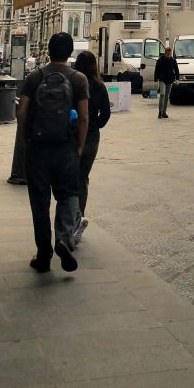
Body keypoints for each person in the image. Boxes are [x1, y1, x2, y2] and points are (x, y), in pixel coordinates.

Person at [16, 33, 89, 273]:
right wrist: (78, 146)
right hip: (65, 149)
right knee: (68, 197)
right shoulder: (79, 79)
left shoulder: (35, 76)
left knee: (40, 203)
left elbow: (22, 112)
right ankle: (63, 240)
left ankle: (43, 254)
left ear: (48, 50)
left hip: (38, 149)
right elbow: (84, 117)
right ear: (70, 53)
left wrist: (27, 139)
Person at [71, 50, 111, 246]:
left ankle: (71, 219)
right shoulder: (99, 86)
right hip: (92, 138)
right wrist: (95, 125)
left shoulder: (72, 83)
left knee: (69, 178)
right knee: (82, 179)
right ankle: (79, 218)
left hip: (72, 136)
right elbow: (106, 114)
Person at [155, 43, 179, 119]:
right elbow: (156, 70)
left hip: (170, 80)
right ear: (165, 53)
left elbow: (176, 70)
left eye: (170, 54)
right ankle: (160, 111)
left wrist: (177, 79)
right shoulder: (160, 60)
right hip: (162, 79)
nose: (169, 56)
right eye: (167, 54)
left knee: (167, 96)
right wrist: (155, 80)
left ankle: (164, 112)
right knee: (162, 94)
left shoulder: (173, 61)